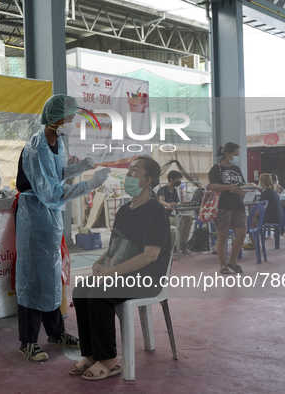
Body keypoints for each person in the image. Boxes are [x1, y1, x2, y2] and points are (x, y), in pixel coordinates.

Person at [15, 94, 112, 361]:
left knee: (51, 277)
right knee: (33, 279)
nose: (71, 121)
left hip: (50, 218)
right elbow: (50, 193)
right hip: (35, 216)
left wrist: (78, 168)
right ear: (56, 118)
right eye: (69, 118)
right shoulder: (37, 147)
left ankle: (56, 333)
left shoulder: (56, 141)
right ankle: (28, 341)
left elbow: (54, 174)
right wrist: (90, 184)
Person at [69, 157, 170, 381]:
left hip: (146, 278)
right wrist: (100, 262)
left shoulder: (156, 211)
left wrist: (112, 273)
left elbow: (150, 256)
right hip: (123, 273)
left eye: (135, 171)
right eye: (129, 170)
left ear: (146, 181)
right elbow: (116, 245)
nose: (128, 175)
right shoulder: (125, 210)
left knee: (99, 295)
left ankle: (109, 360)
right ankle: (92, 354)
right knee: (81, 291)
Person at [208, 142, 247, 274]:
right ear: (227, 154)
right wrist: (230, 187)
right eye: (236, 154)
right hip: (223, 206)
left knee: (241, 234)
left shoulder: (236, 169)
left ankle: (232, 260)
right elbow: (213, 186)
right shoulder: (216, 169)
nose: (237, 157)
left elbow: (241, 184)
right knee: (222, 236)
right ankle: (222, 264)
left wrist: (246, 189)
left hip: (238, 205)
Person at [157, 170, 194, 252]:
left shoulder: (174, 191)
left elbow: (176, 203)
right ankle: (175, 245)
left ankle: (183, 244)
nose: (179, 181)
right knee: (180, 221)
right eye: (178, 179)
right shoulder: (163, 189)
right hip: (163, 216)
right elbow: (161, 201)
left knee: (189, 219)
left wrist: (185, 203)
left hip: (171, 215)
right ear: (172, 179)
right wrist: (169, 205)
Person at [244, 173, 281, 250]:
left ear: (262, 183)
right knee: (253, 219)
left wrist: (253, 215)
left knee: (249, 221)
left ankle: (254, 243)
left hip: (271, 218)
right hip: (278, 217)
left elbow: (261, 208)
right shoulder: (273, 192)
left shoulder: (265, 193)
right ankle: (255, 241)